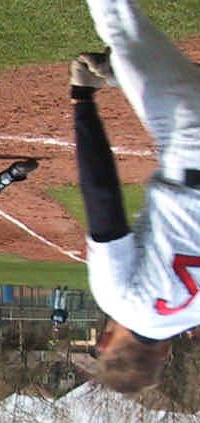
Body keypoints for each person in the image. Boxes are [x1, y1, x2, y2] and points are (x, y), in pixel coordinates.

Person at [71, 0, 200, 393]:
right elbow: (103, 204)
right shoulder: (122, 303)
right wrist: (82, 101)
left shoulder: (193, 314)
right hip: (189, 142)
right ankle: (125, 73)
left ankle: (129, 76)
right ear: (106, 342)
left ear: (163, 353)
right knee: (119, 25)